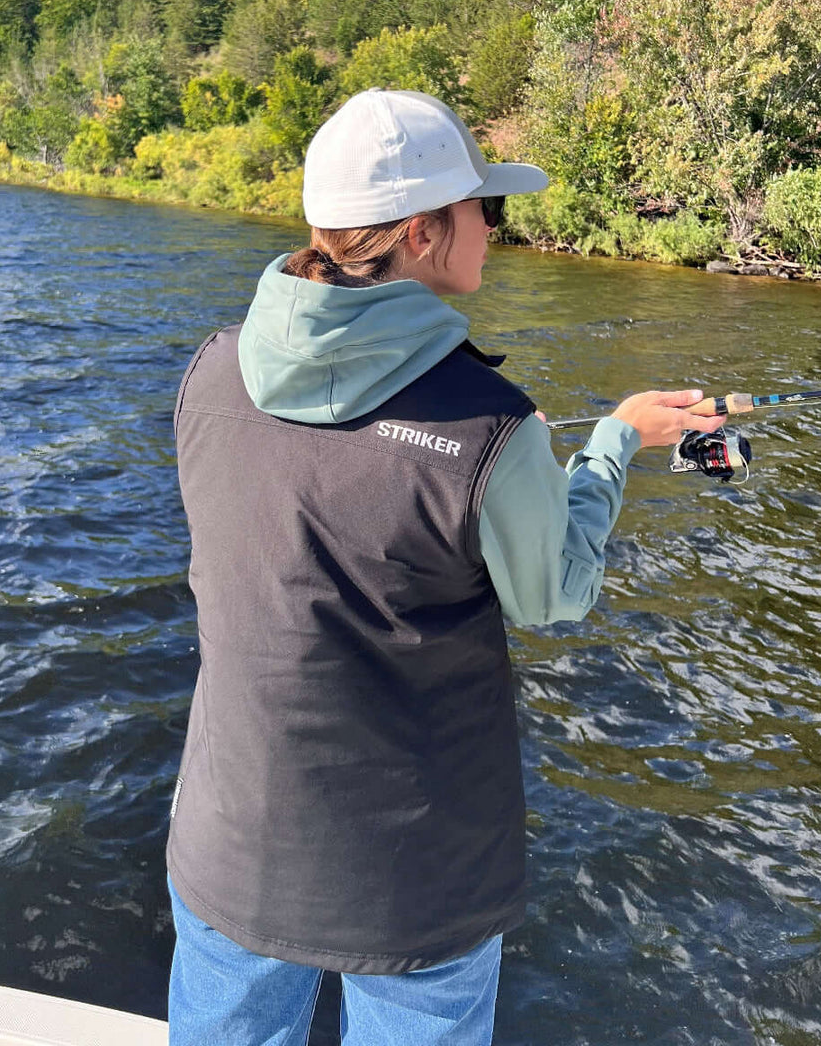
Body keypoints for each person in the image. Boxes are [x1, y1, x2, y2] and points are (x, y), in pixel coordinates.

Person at [166, 88, 726, 1045]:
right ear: (423, 232)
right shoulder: (490, 426)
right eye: (486, 209)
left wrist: (496, 460)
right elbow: (556, 595)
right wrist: (609, 447)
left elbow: (330, 484)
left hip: (229, 843)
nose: (494, 229)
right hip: (414, 882)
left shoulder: (210, 370)